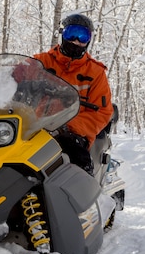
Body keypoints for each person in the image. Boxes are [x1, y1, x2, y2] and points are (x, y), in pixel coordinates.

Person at [33, 13, 114, 175]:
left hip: (73, 133)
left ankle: (82, 197)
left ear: (88, 41)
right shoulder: (41, 62)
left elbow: (102, 112)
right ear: (63, 34)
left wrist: (69, 126)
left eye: (82, 37)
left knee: (76, 159)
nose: (76, 41)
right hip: (34, 127)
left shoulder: (95, 72)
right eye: (72, 34)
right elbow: (15, 79)